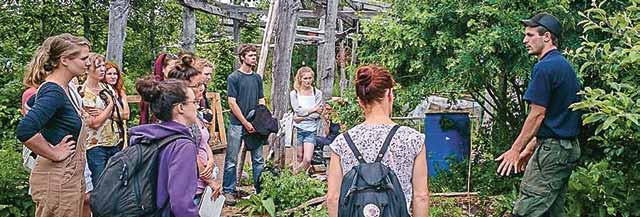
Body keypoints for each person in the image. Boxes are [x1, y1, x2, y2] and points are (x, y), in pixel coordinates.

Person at [495, 13, 581, 217]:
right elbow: (557, 117)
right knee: (550, 211)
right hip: (564, 148)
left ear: (547, 37)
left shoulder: (545, 67)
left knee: (526, 210)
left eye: (530, 35)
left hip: (553, 151)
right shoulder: (563, 66)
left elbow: (538, 115)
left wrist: (515, 149)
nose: (525, 40)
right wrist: (530, 148)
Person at [326, 65, 430, 217]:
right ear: (390, 94)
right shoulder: (412, 139)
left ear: (360, 101)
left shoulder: (342, 142)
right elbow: (421, 197)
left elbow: (333, 198)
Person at [16, 33, 91, 217]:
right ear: (65, 60)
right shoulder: (54, 91)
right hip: (57, 180)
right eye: (84, 58)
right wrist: (54, 153)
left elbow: (34, 105)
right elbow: (25, 129)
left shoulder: (63, 89)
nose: (88, 62)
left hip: (69, 177)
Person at [130, 77, 200, 217]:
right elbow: (181, 204)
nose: (197, 106)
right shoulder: (182, 146)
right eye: (194, 102)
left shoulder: (147, 137)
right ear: (180, 107)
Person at [167, 53, 222, 204]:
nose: (202, 89)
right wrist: (210, 180)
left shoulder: (194, 112)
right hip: (191, 186)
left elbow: (203, 142)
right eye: (197, 85)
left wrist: (211, 159)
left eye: (202, 85)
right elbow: (191, 151)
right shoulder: (179, 119)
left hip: (202, 182)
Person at [223, 44, 265, 204]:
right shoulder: (234, 77)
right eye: (250, 55)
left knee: (259, 159)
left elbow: (261, 100)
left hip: (255, 124)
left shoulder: (257, 78)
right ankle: (229, 191)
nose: (254, 57)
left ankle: (261, 190)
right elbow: (232, 103)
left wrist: (261, 119)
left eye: (255, 55)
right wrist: (245, 122)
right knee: (231, 158)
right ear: (242, 57)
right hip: (237, 124)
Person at [81, 53, 123, 187]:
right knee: (99, 185)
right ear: (88, 69)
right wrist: (110, 106)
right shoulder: (82, 92)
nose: (102, 70)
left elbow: (122, 114)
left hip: (114, 142)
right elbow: (94, 123)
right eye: (98, 66)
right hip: (95, 146)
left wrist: (105, 113)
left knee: (116, 184)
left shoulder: (108, 88)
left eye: (103, 66)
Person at [289, 66, 323, 174]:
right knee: (299, 156)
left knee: (307, 159)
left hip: (311, 129)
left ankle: (294, 174)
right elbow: (297, 110)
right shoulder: (294, 93)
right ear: (300, 79)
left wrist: (301, 117)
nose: (308, 81)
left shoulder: (317, 93)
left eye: (310, 78)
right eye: (305, 78)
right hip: (298, 129)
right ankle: (300, 181)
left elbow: (317, 114)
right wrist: (312, 110)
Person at [139, 53, 178, 124]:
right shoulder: (154, 88)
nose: (174, 71)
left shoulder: (180, 88)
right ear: (163, 68)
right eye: (172, 68)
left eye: (177, 68)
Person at [102, 62, 130, 147]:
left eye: (115, 74)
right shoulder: (102, 92)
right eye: (109, 74)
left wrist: (104, 114)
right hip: (106, 135)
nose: (113, 76)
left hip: (121, 132)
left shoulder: (121, 92)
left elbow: (126, 115)